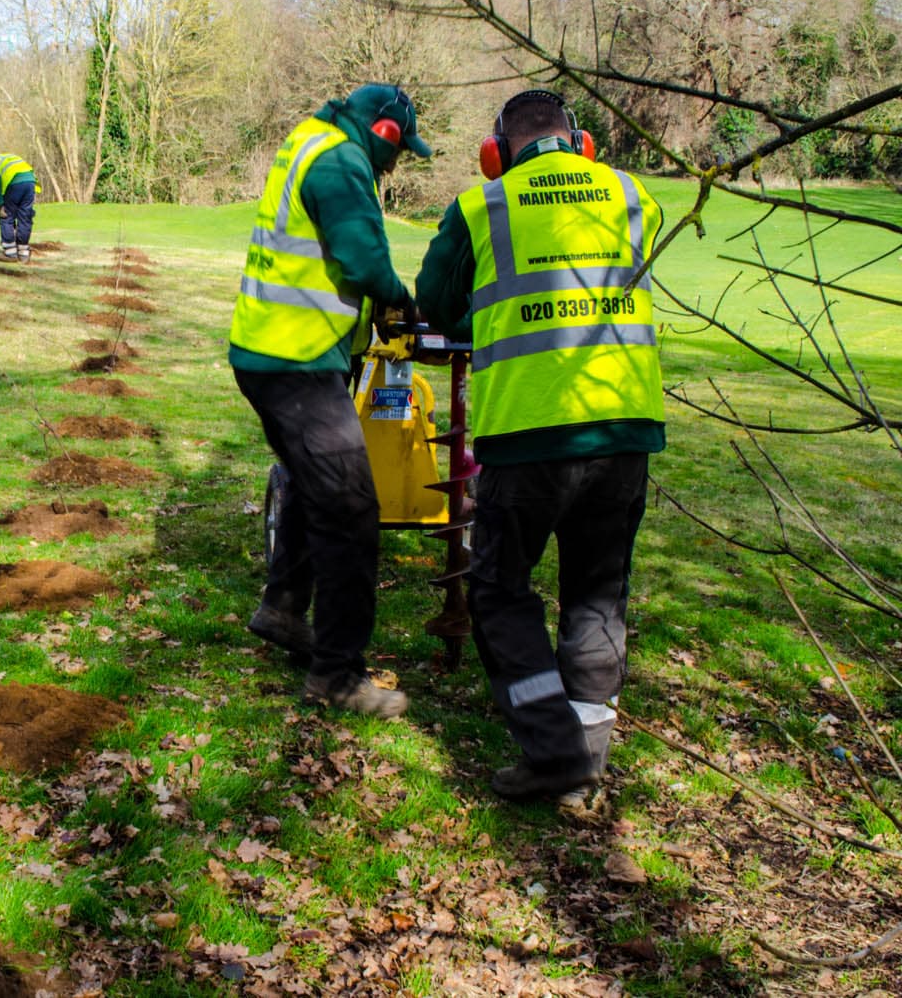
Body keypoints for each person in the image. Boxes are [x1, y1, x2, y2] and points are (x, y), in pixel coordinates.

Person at [414, 88, 665, 804]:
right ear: (581, 142)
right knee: (595, 594)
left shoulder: (480, 207)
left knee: (496, 592)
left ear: (496, 154)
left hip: (528, 432)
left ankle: (552, 748)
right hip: (623, 428)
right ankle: (585, 758)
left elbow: (436, 301)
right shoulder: (631, 194)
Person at [229, 82, 432, 718]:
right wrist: (400, 298)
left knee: (313, 484)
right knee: (350, 508)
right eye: (398, 153)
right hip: (295, 360)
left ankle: (285, 610)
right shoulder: (343, 162)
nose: (396, 167)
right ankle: (337, 675)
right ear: (384, 135)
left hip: (274, 352)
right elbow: (362, 259)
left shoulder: (310, 140)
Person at [0, 153, 40, 262]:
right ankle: (23, 253)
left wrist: (0, 203)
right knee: (25, 217)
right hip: (30, 182)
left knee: (6, 215)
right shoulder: (5, 157)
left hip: (15, 183)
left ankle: (10, 253)